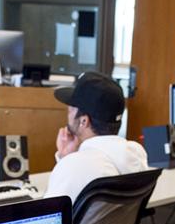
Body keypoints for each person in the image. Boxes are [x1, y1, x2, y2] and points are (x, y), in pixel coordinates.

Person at [45, 71, 147, 200]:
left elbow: (49, 213)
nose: (68, 114)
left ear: (84, 121)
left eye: (71, 110)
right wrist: (66, 156)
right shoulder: (137, 155)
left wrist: (64, 161)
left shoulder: (73, 166)